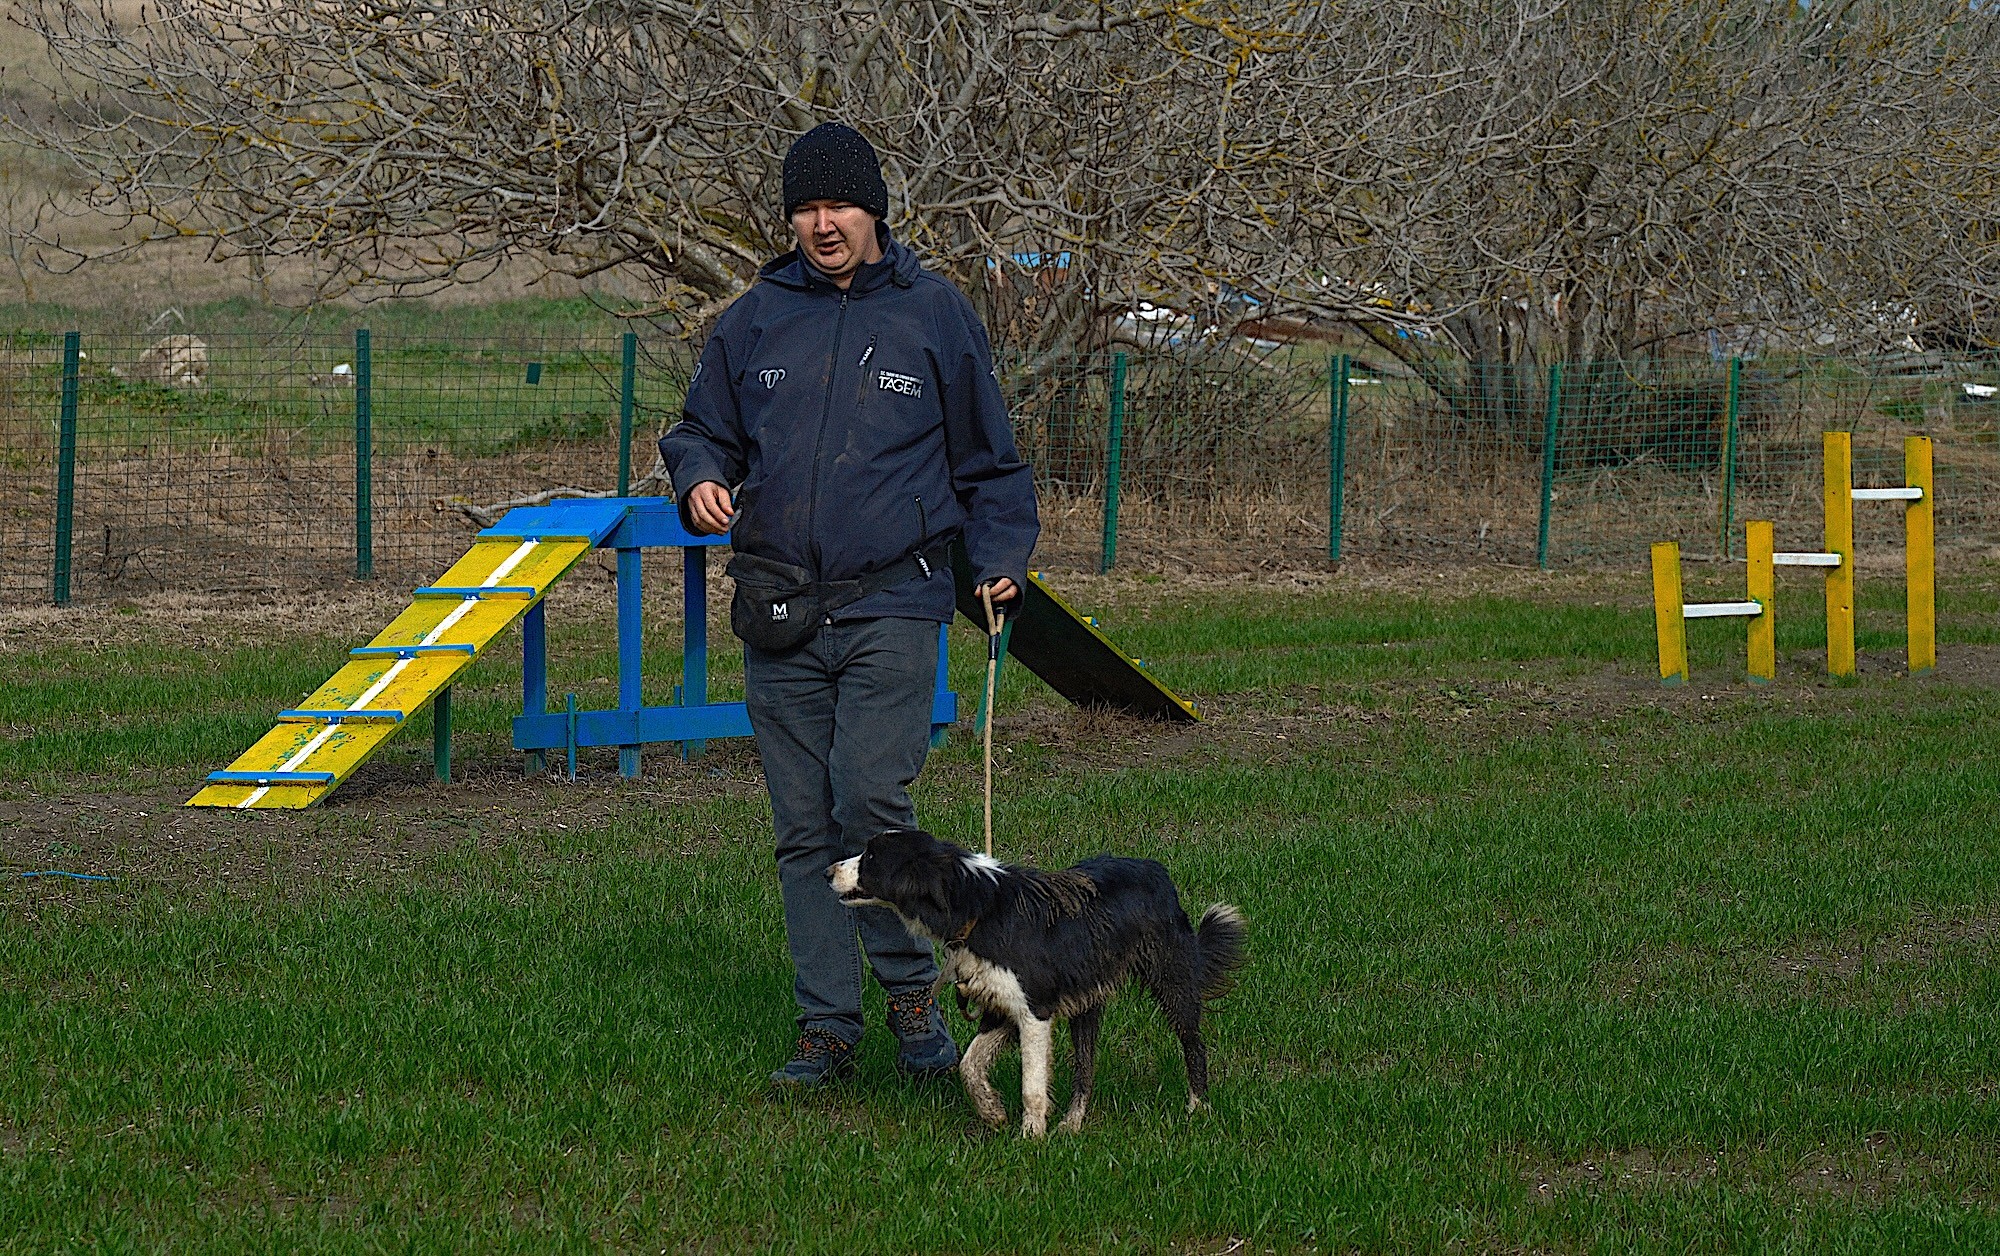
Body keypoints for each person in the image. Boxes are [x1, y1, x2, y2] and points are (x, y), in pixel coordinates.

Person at [661, 122, 1040, 1086]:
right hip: (779, 605)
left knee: (869, 804)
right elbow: (702, 429)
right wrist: (699, 477)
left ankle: (913, 1002)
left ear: (874, 211)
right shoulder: (754, 318)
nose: (822, 224)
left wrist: (1000, 557)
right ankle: (827, 1026)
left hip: (895, 600)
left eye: (838, 205)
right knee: (802, 828)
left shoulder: (935, 314)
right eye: (806, 208)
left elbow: (992, 465)